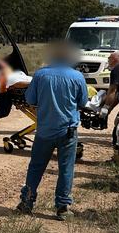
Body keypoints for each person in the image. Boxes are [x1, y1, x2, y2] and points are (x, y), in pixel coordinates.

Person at [16, 41, 88, 221]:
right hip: (68, 131)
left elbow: (30, 99)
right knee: (66, 168)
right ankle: (63, 207)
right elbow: (82, 102)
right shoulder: (77, 77)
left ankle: (27, 202)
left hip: (45, 130)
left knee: (36, 166)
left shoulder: (40, 75)